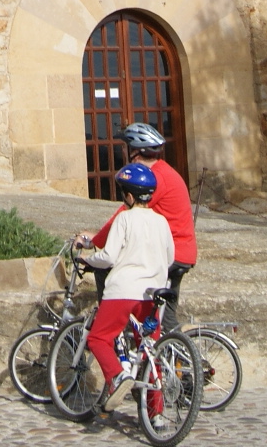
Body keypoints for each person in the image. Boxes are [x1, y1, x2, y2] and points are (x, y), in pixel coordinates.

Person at [75, 161, 176, 423]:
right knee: (149, 351)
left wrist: (87, 258)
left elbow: (108, 257)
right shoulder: (161, 221)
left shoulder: (124, 218)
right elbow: (170, 257)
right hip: (152, 294)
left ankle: (118, 376)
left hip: (123, 291)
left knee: (98, 338)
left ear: (128, 196)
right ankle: (157, 416)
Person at [88, 123, 197, 308]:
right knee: (164, 322)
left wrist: (95, 241)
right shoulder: (162, 171)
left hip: (171, 253)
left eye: (127, 150)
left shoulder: (153, 178)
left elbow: (127, 213)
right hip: (180, 251)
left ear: (135, 153)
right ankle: (166, 336)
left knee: (105, 269)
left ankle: (110, 321)